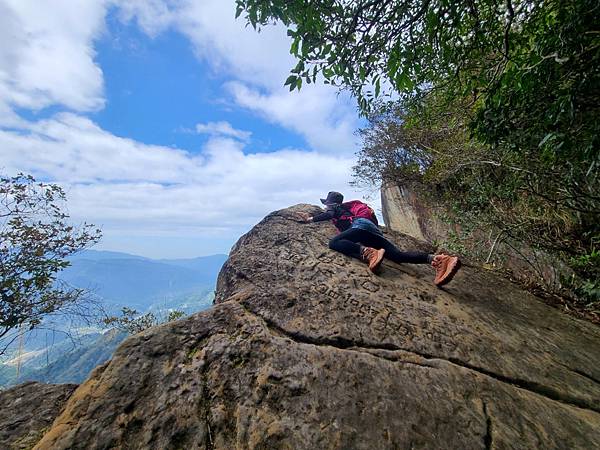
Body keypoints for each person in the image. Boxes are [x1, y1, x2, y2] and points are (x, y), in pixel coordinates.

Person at [299, 191, 461, 286]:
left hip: (360, 226)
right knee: (398, 256)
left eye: (327, 204)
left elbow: (328, 214)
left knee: (334, 242)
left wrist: (310, 220)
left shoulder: (336, 209)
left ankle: (369, 253)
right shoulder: (346, 209)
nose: (326, 206)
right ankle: (441, 260)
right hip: (373, 231)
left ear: (331, 204)